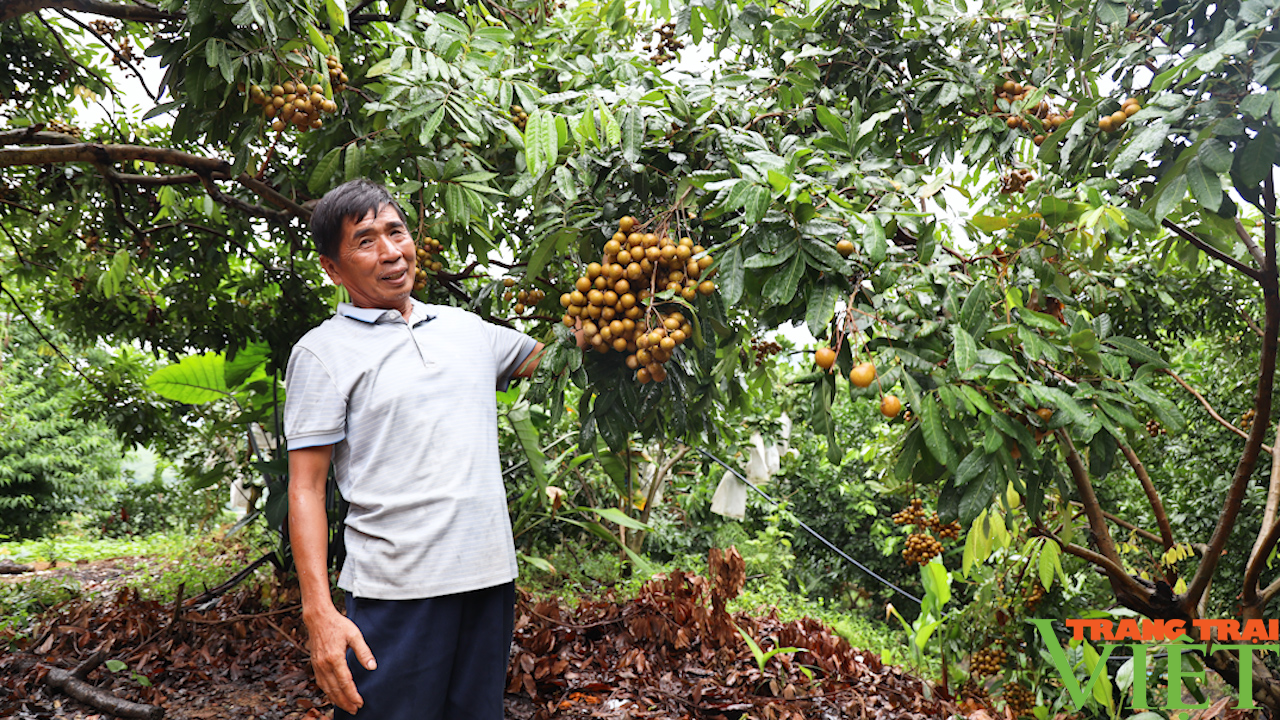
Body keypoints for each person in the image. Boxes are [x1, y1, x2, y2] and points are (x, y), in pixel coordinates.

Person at [285, 178, 547, 719]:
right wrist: (319, 613)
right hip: (394, 593)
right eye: (365, 240)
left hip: (488, 581)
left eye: (396, 231)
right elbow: (306, 488)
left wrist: (646, 292)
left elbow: (566, 355)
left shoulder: (467, 329)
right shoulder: (321, 353)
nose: (390, 252)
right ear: (332, 269)